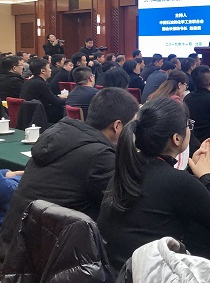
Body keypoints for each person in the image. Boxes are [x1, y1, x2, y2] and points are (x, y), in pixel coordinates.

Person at [97, 98, 210, 269]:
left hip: (118, 272)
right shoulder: (176, 181)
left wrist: (192, 171)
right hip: (149, 278)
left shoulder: (128, 168)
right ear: (177, 138)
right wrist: (208, 176)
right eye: (188, 125)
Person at [0, 88, 138, 260]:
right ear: (117, 126)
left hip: (14, 243)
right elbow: (124, 206)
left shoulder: (59, 133)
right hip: (43, 260)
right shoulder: (100, 156)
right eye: (132, 126)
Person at [19, 58, 67, 123]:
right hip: (39, 116)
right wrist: (69, 99)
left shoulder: (29, 82)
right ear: (43, 71)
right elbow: (55, 102)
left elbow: (48, 97)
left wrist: (59, 97)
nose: (51, 70)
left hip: (27, 115)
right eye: (49, 68)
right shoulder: (41, 84)